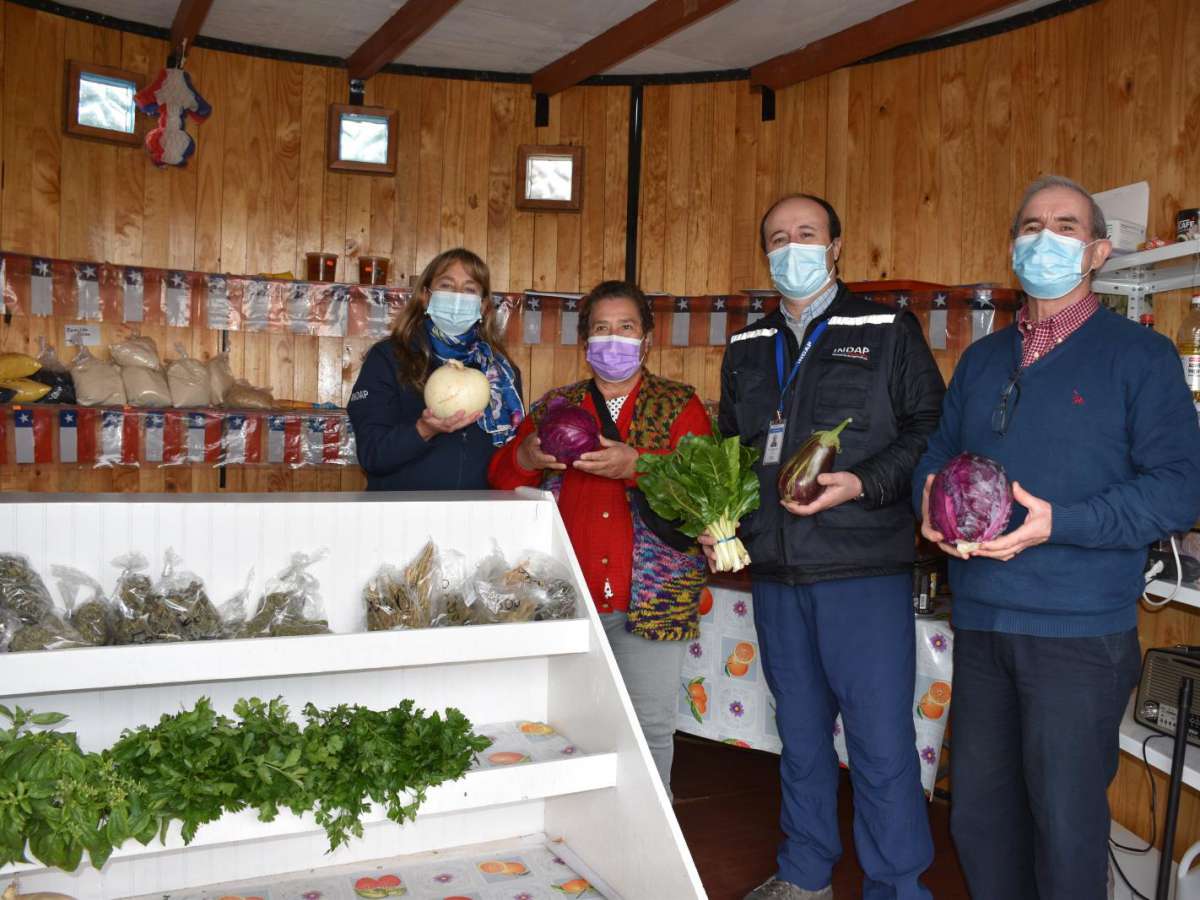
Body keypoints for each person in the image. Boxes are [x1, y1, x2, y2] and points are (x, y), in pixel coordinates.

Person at [913, 175, 1200, 900]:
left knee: (1065, 827)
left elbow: (1178, 489)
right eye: (1032, 224)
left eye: (1066, 225)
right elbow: (937, 453)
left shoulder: (1142, 357)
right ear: (1014, 248)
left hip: (1078, 636)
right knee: (978, 818)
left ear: (1098, 251)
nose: (1046, 237)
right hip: (981, 621)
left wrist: (1059, 525)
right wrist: (929, 505)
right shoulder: (982, 361)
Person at [712, 194, 944, 900]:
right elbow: (733, 453)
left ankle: (897, 888)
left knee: (878, 745)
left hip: (860, 568)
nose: (792, 247)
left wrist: (862, 484)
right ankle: (805, 876)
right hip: (778, 573)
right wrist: (719, 520)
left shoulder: (888, 327)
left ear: (837, 246)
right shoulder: (748, 346)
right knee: (803, 741)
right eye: (778, 237)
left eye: (807, 234)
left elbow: (929, 430)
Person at [488, 280, 711, 791]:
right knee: (570, 728)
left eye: (626, 328)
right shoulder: (556, 406)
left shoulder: (680, 405)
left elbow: (705, 491)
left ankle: (653, 852)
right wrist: (524, 457)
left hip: (654, 597)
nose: (614, 340)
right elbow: (502, 477)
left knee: (649, 728)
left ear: (647, 340)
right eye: (602, 329)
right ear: (586, 343)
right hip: (568, 597)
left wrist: (639, 465)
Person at [348, 247, 523, 491]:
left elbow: (508, 461)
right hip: (403, 517)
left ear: (483, 306)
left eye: (470, 289)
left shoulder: (501, 373)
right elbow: (372, 455)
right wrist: (423, 430)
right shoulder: (389, 358)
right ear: (426, 296)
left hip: (478, 518)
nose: (458, 297)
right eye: (447, 286)